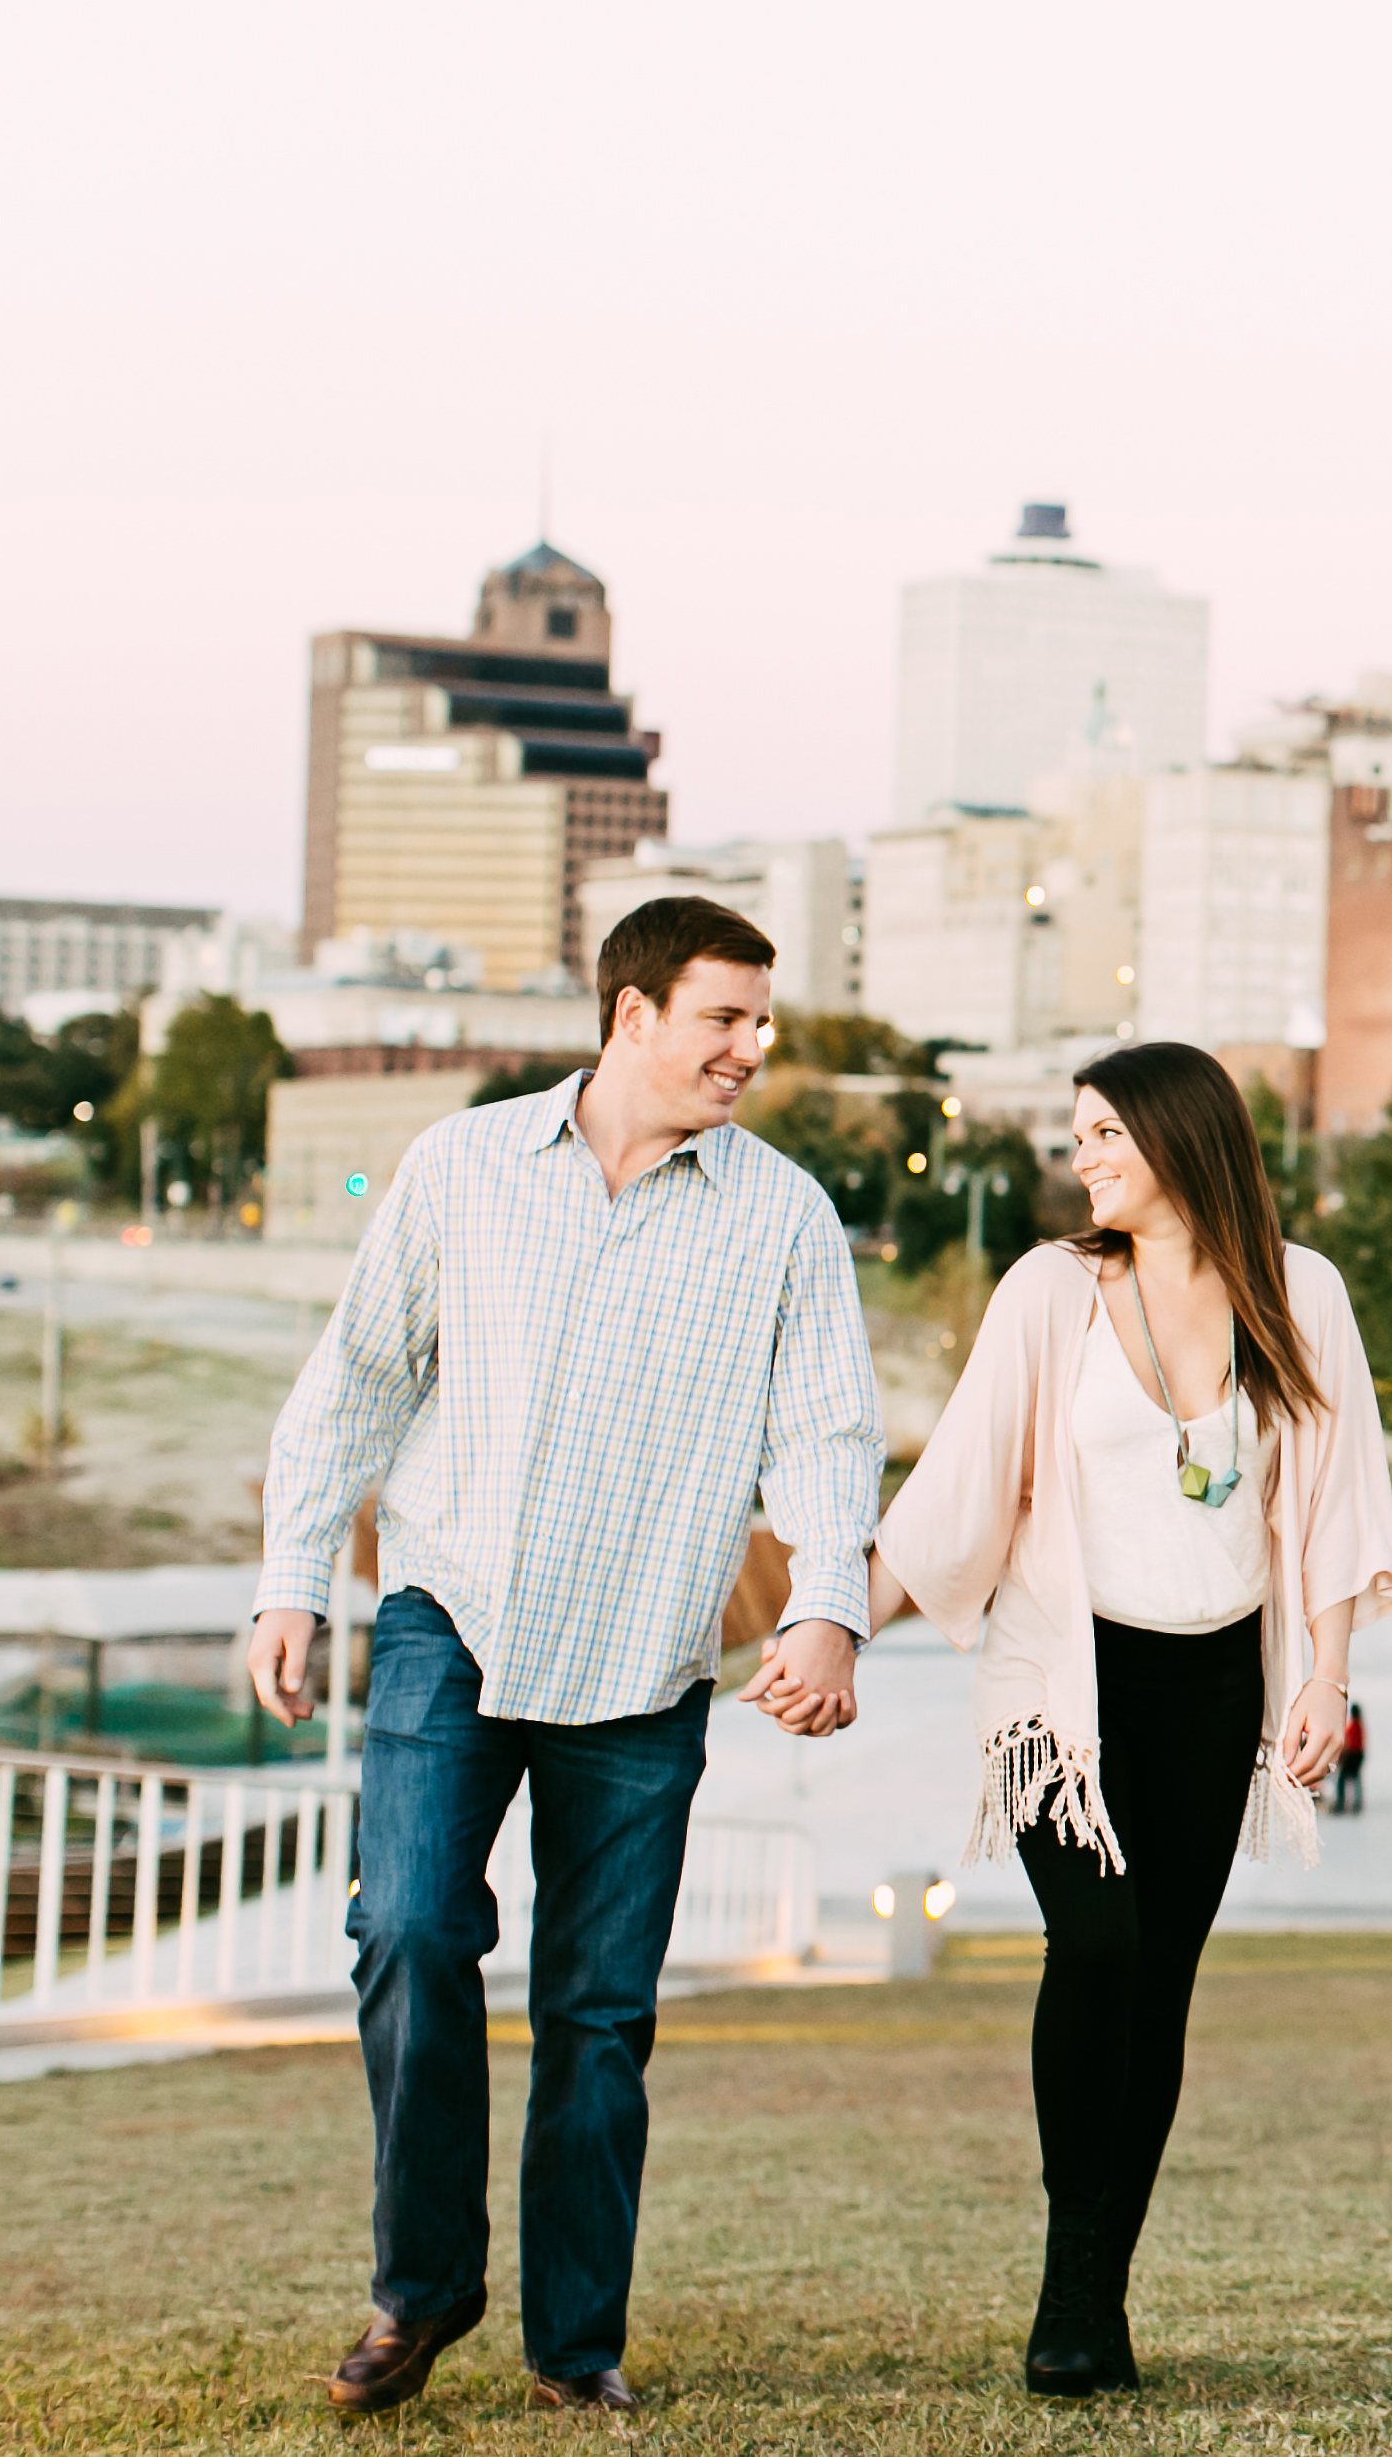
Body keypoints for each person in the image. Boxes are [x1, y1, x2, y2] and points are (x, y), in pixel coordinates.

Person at [246, 898, 883, 2416]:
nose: (752, 1047)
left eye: (761, 1020)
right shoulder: (462, 1166)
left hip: (648, 1653)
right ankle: (420, 2292)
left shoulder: (782, 1214)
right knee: (407, 1931)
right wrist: (289, 1579)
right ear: (633, 1014)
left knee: (598, 2012)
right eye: (725, 1017)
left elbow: (826, 1430)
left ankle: (573, 2342)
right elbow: (357, 1378)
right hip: (446, 1617)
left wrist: (823, 1606)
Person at [825, 1041, 1392, 2397]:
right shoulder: (1051, 1290)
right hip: (1062, 1685)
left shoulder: (1298, 1290)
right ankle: (1070, 2272)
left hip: (1214, 1691)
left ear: (1179, 1136)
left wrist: (1324, 1674)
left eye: (1102, 1134)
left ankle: (1094, 2294)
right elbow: (961, 1482)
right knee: (1091, 1944)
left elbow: (1327, 1491)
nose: (1081, 1158)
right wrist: (835, 1623)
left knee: (1158, 1984)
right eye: (1074, 1137)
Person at [1331, 1698, 1367, 1815]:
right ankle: (1357, 1802)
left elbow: (1349, 1744)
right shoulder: (1360, 1726)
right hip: (1358, 1756)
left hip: (1351, 1757)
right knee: (1356, 1780)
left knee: (1342, 1780)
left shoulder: (1352, 1727)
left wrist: (1342, 1758)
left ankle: (1340, 1803)